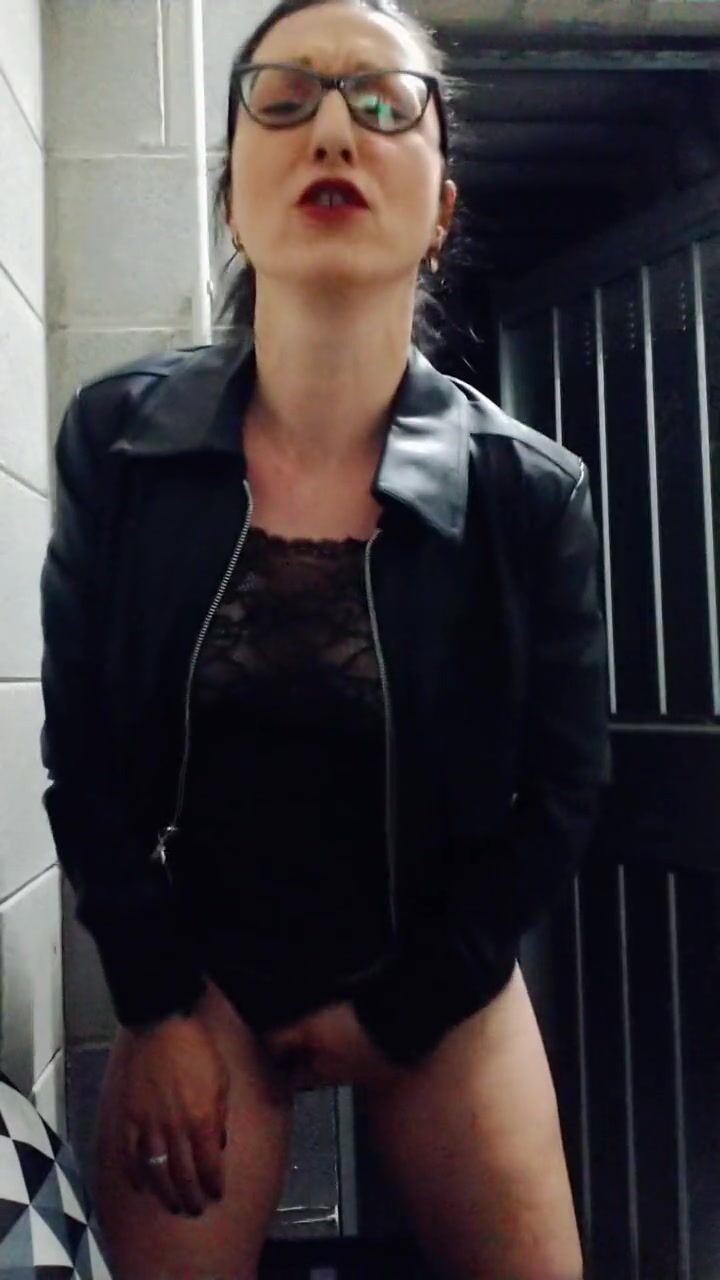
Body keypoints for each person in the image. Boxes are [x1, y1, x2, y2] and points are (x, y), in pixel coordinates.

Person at [38, 1, 610, 1277]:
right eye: (285, 98)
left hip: (439, 975)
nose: (335, 131)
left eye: (385, 102)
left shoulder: (530, 492)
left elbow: (564, 792)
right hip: (202, 976)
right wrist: (155, 1000)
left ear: (441, 207)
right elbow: (86, 759)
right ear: (233, 199)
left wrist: (411, 1006)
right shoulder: (120, 444)